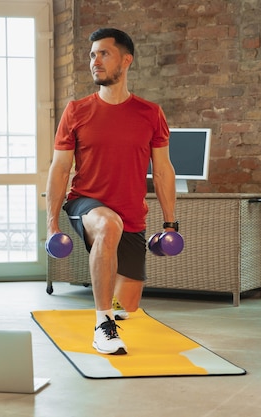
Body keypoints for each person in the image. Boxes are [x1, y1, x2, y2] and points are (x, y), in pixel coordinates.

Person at [46, 28, 177, 355]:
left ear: (126, 60)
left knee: (128, 305)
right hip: (85, 203)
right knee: (108, 225)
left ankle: (113, 310)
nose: (95, 61)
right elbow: (60, 168)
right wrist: (52, 224)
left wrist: (170, 224)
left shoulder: (150, 113)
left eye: (104, 53)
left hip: (132, 214)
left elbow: (162, 170)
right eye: (92, 55)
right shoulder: (76, 111)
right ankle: (102, 325)